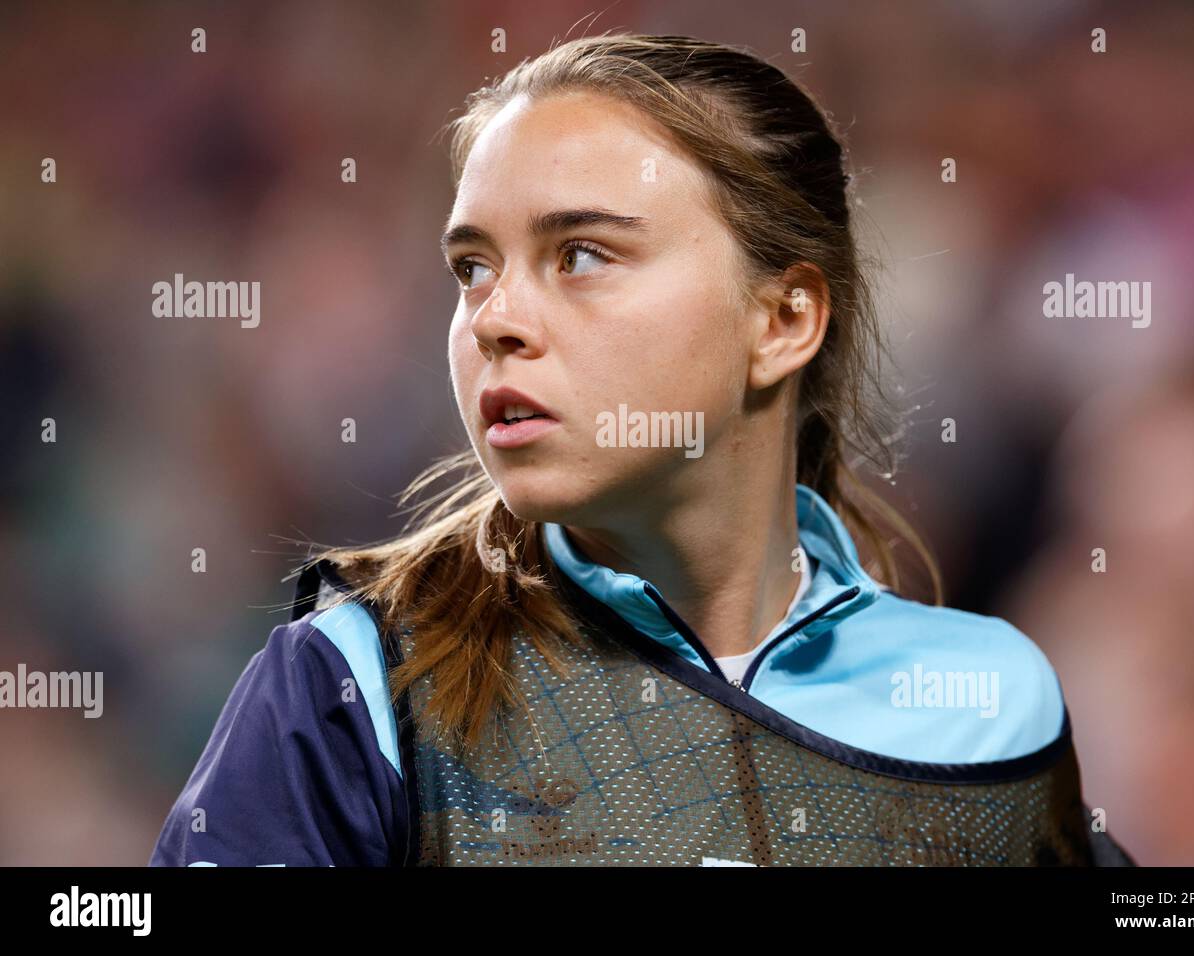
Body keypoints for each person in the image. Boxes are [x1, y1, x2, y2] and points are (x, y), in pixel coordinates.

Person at [150, 33, 1133, 867]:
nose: (495, 319)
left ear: (784, 318)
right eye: (472, 266)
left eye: (580, 254)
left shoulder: (991, 708)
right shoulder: (355, 687)